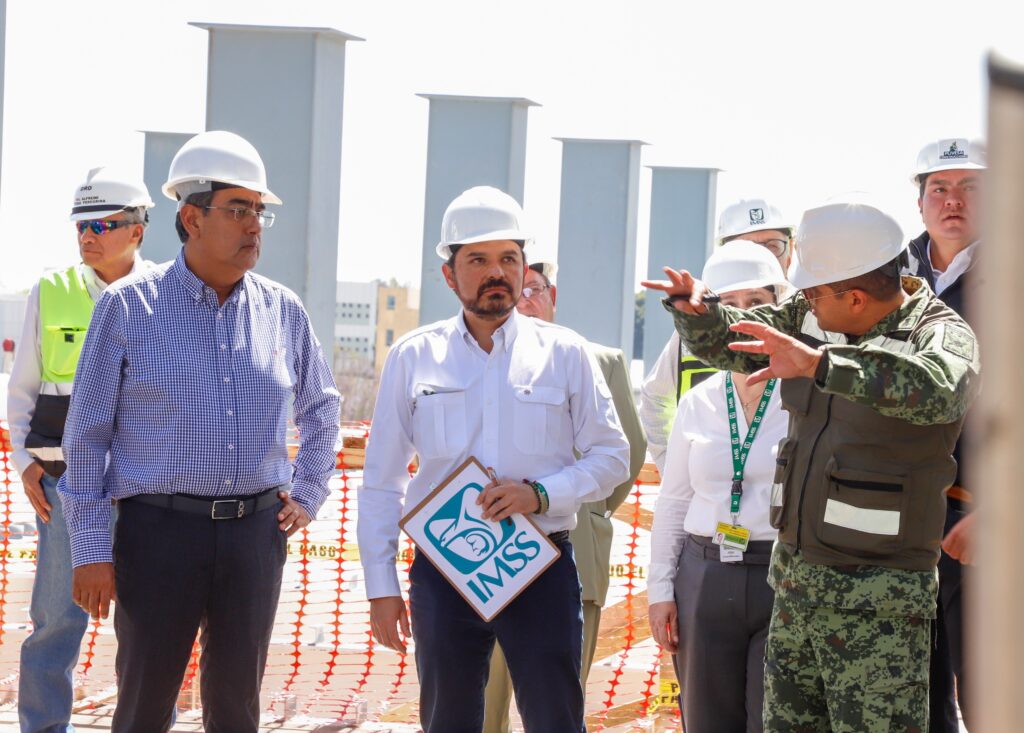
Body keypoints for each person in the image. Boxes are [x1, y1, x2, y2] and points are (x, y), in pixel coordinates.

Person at [644, 197, 980, 733]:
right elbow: (740, 341)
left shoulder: (939, 333)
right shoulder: (808, 315)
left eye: (814, 291)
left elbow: (939, 390)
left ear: (855, 296)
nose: (803, 300)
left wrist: (822, 365)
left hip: (879, 605)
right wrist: (698, 314)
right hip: (796, 590)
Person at [58, 130, 341, 732]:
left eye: (258, 211)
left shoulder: (282, 310)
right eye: (238, 210)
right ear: (191, 218)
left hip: (255, 538)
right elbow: (86, 437)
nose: (254, 225)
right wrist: (91, 551)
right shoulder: (127, 307)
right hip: (156, 535)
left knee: (237, 709)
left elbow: (323, 409)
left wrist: (309, 493)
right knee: (143, 706)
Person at [359, 186, 630, 733]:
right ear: (449, 274)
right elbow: (381, 482)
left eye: (508, 258)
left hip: (540, 567)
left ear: (525, 266)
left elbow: (613, 456)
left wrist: (542, 494)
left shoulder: (565, 353)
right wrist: (380, 586)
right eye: (478, 260)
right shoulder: (413, 357)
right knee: (448, 721)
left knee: (555, 720)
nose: (496, 272)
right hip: (444, 571)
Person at [8, 167, 154, 733]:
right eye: (81, 226)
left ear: (137, 229)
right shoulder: (52, 291)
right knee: (55, 621)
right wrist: (25, 464)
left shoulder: (167, 295)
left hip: (145, 491)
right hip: (64, 487)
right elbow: (23, 387)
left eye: (101, 225)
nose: (87, 236)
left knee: (150, 626)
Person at [482, 260, 647, 733]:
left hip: (574, 552)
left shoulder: (598, 360)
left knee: (557, 706)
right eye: (516, 290)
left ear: (553, 297)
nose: (526, 300)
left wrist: (585, 508)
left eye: (535, 289)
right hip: (486, 558)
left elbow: (629, 453)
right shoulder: (475, 360)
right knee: (482, 706)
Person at [648, 242, 790, 733]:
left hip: (782, 577)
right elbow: (674, 501)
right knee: (706, 721)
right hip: (704, 576)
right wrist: (660, 590)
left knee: (774, 721)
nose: (744, 317)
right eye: (730, 304)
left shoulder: (806, 397)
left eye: (757, 302)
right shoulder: (698, 401)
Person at [903, 137, 986, 732]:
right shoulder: (885, 278)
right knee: (911, 702)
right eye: (939, 188)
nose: (952, 200)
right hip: (895, 528)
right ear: (920, 201)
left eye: (970, 187)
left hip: (981, 526)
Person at [640, 198, 795, 473]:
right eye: (745, 245)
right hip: (707, 479)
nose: (759, 255)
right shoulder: (692, 330)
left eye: (772, 245)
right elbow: (656, 400)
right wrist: (674, 465)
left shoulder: (809, 325)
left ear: (791, 251)